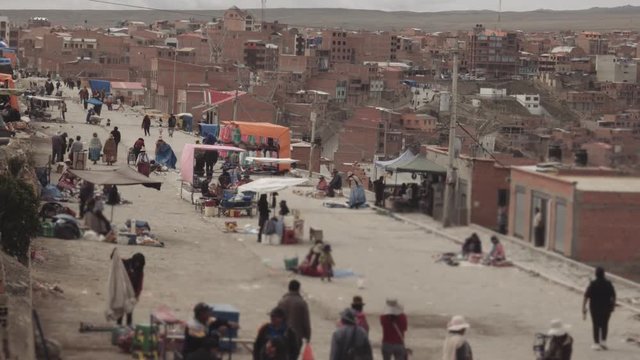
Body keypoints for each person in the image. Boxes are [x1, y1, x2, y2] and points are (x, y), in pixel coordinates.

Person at [583, 267, 616, 350]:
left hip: (595, 308)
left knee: (596, 324)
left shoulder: (593, 284)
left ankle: (596, 343)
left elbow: (586, 296)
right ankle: (603, 342)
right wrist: (613, 306)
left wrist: (583, 307)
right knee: (605, 324)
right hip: (606, 307)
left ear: (596, 274)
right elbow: (613, 296)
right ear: (604, 274)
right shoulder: (608, 283)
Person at [277, 280, 311, 346]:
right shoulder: (302, 303)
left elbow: (276, 319)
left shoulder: (281, 301)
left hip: (282, 335)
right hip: (296, 337)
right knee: (293, 356)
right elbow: (306, 321)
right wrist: (308, 336)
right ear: (298, 289)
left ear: (288, 288)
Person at [116, 252, 145, 326]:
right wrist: (114, 254)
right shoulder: (126, 263)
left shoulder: (140, 271)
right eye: (137, 262)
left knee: (129, 310)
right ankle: (119, 324)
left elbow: (139, 284)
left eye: (139, 263)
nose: (137, 264)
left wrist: (137, 295)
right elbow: (116, 260)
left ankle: (128, 325)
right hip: (123, 289)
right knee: (121, 308)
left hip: (132, 292)